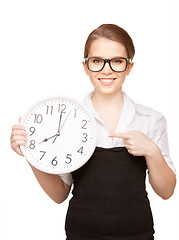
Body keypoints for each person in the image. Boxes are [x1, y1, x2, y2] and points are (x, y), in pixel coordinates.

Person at [10, 24, 176, 240]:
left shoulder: (151, 120)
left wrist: (152, 151)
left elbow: (166, 192)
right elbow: (59, 194)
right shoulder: (67, 118)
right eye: (97, 61)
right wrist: (30, 154)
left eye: (117, 61)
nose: (106, 70)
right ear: (86, 66)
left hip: (138, 234)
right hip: (81, 234)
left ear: (129, 66)